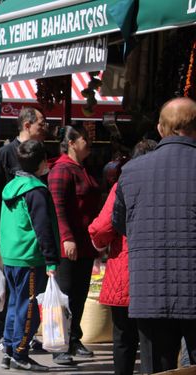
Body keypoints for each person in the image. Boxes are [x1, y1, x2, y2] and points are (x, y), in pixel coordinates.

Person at [113, 97, 196, 373]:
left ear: (161, 129)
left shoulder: (131, 171)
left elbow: (121, 223)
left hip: (150, 290)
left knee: (157, 369)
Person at [88, 139, 157, 375]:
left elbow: (102, 228)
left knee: (124, 340)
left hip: (125, 271)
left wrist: (98, 243)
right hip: (157, 274)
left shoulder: (123, 183)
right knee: (153, 342)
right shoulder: (165, 183)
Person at [0, 107, 49, 352]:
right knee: (11, 288)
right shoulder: (3, 155)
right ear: (27, 125)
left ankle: (24, 336)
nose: (45, 126)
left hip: (29, 236)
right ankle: (7, 336)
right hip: (10, 233)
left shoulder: (41, 153)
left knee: (25, 292)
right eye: (41, 122)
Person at [0, 140, 60, 372]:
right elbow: (43, 228)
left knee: (15, 305)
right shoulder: (35, 190)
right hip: (30, 257)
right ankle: (21, 353)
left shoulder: (12, 186)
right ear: (42, 162)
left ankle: (9, 349)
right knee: (29, 308)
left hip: (13, 255)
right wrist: (51, 259)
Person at [48, 125, 101, 365]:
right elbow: (57, 208)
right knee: (65, 296)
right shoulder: (61, 170)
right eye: (84, 139)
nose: (88, 143)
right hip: (69, 244)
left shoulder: (81, 169)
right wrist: (66, 237)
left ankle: (73, 337)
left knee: (78, 295)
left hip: (85, 244)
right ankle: (59, 344)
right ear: (71, 142)